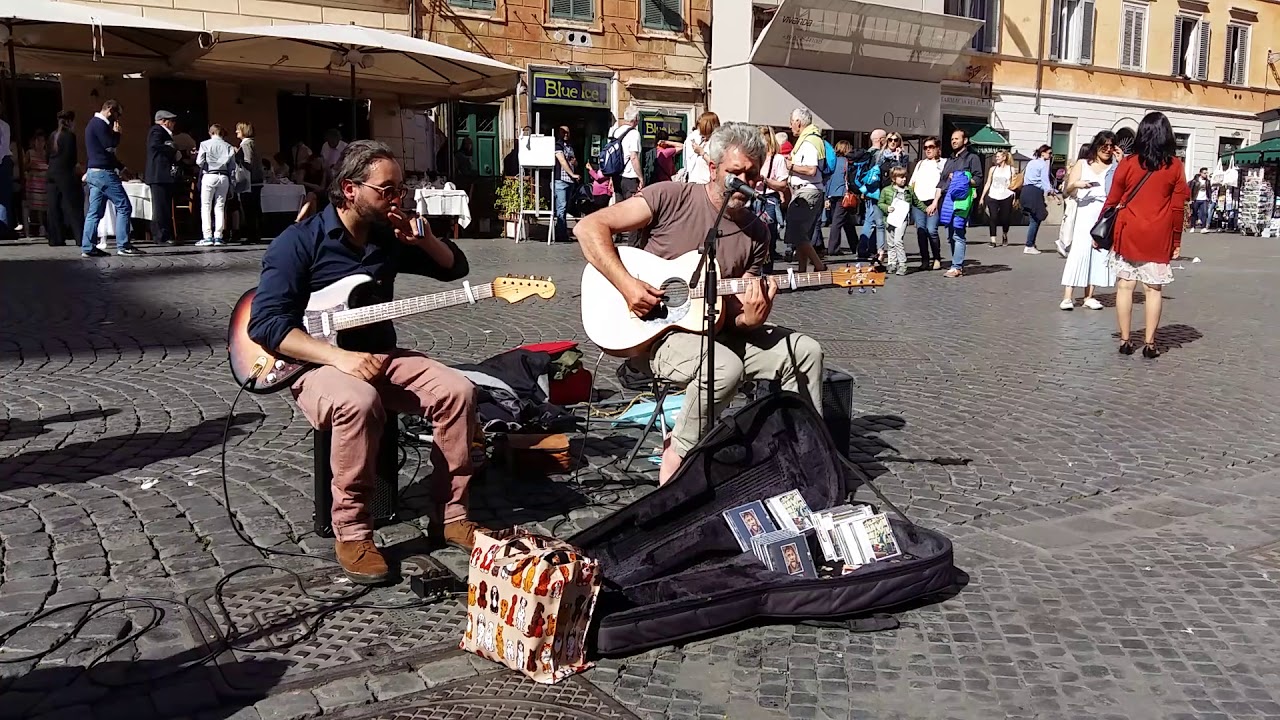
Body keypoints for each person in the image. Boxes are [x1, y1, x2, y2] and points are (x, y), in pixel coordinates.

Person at [247, 140, 490, 582]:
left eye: (402, 189)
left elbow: (454, 270)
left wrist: (427, 239)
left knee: (459, 390)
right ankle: (354, 531)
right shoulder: (298, 243)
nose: (399, 198)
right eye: (388, 189)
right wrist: (338, 358)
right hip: (315, 364)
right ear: (350, 188)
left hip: (383, 356)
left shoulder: (387, 238)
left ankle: (452, 516)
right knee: (358, 401)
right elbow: (265, 326)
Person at [573, 121, 824, 486]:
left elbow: (735, 314)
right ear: (712, 168)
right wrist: (628, 286)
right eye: (734, 173)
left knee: (805, 350)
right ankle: (680, 452)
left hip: (715, 332)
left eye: (752, 175)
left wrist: (751, 319)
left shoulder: (758, 232)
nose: (744, 183)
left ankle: (803, 458)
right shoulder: (669, 197)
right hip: (655, 335)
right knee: (723, 367)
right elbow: (588, 228)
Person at [1105, 112, 1189, 359]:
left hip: (1128, 230)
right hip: (1159, 233)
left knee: (1125, 286)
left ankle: (1125, 339)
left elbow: (1113, 199)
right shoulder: (1175, 166)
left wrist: (1100, 230)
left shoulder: (1129, 163)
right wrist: (1176, 240)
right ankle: (1150, 343)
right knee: (1153, 290)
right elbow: (1177, 208)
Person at [1059, 132, 1118, 310]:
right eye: (1104, 146)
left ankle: (1089, 296)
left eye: (1111, 146)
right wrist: (1077, 184)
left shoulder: (1114, 168)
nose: (1108, 150)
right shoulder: (1083, 164)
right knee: (1079, 251)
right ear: (1097, 145)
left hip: (1104, 214)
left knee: (1098, 253)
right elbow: (1067, 191)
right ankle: (1068, 296)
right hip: (1084, 211)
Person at [82, 100, 142, 257]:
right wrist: (117, 134)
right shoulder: (100, 124)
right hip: (104, 173)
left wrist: (122, 168)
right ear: (109, 110)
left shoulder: (92, 124)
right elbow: (110, 145)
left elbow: (106, 153)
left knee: (94, 212)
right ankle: (123, 245)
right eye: (117, 115)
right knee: (124, 206)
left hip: (93, 172)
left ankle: (88, 247)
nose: (117, 119)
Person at [931, 129, 983, 278]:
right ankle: (956, 264)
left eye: (957, 139)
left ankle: (956, 266)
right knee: (950, 234)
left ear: (965, 141)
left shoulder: (972, 158)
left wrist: (963, 180)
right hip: (947, 200)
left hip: (961, 201)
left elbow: (978, 179)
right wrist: (935, 201)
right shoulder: (950, 160)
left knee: (958, 233)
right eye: (952, 139)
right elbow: (941, 182)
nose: (953, 141)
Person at [786, 108, 827, 273]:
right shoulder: (809, 139)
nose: (790, 127)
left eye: (791, 122)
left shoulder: (810, 142)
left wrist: (791, 166)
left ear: (798, 122)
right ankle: (802, 269)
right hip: (806, 190)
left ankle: (819, 265)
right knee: (802, 234)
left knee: (797, 232)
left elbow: (811, 170)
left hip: (807, 191)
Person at [195, 124, 239, 247]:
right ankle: (218, 236)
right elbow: (232, 167)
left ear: (211, 132)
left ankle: (207, 236)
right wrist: (232, 183)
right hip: (224, 176)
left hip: (209, 175)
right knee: (220, 206)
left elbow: (199, 162)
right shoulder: (228, 146)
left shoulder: (204, 144)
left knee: (206, 206)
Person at [46, 110, 83, 248]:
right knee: (73, 206)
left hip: (51, 174)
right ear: (70, 121)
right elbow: (72, 158)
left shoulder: (52, 136)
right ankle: (80, 238)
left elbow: (47, 156)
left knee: (53, 207)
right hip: (65, 174)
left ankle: (55, 238)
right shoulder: (70, 136)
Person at [608, 106, 644, 245]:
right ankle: (633, 243)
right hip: (629, 177)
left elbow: (613, 157)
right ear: (635, 120)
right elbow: (634, 157)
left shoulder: (615, 131)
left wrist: (611, 178)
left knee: (619, 209)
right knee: (634, 211)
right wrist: (640, 177)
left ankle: (614, 237)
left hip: (617, 176)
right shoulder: (634, 134)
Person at [146, 110, 183, 246]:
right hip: (158, 175)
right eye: (171, 121)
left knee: (165, 206)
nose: (173, 124)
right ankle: (161, 236)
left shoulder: (164, 133)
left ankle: (165, 234)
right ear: (164, 121)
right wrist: (173, 149)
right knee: (161, 207)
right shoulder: (157, 130)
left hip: (163, 176)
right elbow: (155, 145)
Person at [909, 136, 944, 270]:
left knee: (932, 230)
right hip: (918, 201)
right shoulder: (920, 164)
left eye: (931, 147)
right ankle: (925, 260)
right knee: (921, 231)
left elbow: (943, 185)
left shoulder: (943, 163)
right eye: (926, 147)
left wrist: (935, 202)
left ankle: (936, 257)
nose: (928, 150)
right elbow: (912, 182)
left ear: (937, 149)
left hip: (933, 200)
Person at [818, 140, 856, 257]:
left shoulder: (832, 162)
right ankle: (833, 248)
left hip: (832, 194)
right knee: (838, 222)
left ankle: (856, 245)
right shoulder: (848, 162)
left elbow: (827, 179)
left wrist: (827, 197)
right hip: (843, 194)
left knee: (847, 221)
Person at [758, 126, 789, 265]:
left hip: (769, 199)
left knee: (768, 235)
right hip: (752, 198)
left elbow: (782, 185)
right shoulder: (755, 158)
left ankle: (767, 269)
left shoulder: (778, 159)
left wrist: (766, 181)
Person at [878, 166, 916, 276]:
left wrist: (926, 209)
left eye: (905, 177)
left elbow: (916, 202)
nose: (904, 179)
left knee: (898, 241)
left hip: (902, 219)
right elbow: (881, 203)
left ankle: (902, 264)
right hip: (890, 219)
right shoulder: (886, 190)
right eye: (901, 177)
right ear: (894, 179)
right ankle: (892, 263)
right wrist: (887, 208)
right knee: (890, 243)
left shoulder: (908, 190)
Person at [1020, 144, 1058, 254]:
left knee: (1034, 217)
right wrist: (1054, 193)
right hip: (1035, 192)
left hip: (1026, 190)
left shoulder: (1031, 162)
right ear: (1043, 153)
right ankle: (1029, 245)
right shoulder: (1043, 164)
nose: (1051, 156)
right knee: (1036, 219)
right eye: (1049, 153)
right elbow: (1045, 182)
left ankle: (1031, 243)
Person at [857, 128, 887, 262]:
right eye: (886, 138)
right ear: (881, 140)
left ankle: (870, 248)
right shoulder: (877, 155)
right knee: (871, 220)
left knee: (873, 220)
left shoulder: (867, 153)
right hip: (875, 191)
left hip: (867, 190)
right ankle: (863, 249)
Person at [980, 149, 1016, 247]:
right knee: (993, 217)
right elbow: (988, 183)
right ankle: (993, 240)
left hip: (1006, 195)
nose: (996, 158)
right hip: (993, 195)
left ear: (1004, 157)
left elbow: (1014, 184)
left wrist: (1014, 197)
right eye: (996, 157)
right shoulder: (993, 169)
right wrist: (982, 197)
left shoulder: (1011, 169)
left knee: (1005, 218)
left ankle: (1005, 234)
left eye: (998, 157)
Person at [236, 122, 264, 243]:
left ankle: (252, 234)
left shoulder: (246, 144)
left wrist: (236, 157)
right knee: (255, 208)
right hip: (256, 180)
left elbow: (248, 162)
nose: (236, 132)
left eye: (238, 129)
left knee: (249, 208)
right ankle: (256, 233)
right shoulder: (252, 143)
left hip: (251, 181)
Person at [552, 125, 579, 243]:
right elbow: (562, 161)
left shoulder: (570, 147)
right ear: (559, 133)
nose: (566, 134)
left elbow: (574, 162)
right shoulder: (557, 146)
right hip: (560, 180)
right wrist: (573, 175)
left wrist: (575, 163)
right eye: (564, 132)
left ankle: (562, 233)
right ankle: (560, 235)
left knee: (565, 207)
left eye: (568, 132)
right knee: (561, 208)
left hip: (569, 182)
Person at [23, 132, 49, 238]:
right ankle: (27, 231)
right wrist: (31, 165)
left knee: (44, 208)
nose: (40, 143)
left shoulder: (46, 153)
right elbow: (24, 167)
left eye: (42, 141)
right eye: (38, 140)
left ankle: (43, 228)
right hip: (33, 184)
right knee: (32, 207)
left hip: (44, 184)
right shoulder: (30, 153)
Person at [683, 112, 720, 185]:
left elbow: (717, 165)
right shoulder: (702, 141)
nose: (698, 131)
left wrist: (702, 153)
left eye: (701, 127)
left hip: (706, 184)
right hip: (694, 184)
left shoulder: (717, 143)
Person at [1189, 167, 1212, 233]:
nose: (1206, 174)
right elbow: (1191, 190)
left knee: (1204, 213)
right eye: (1204, 173)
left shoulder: (1207, 181)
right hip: (1196, 199)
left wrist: (1209, 198)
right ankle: (1193, 226)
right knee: (1194, 213)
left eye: (1206, 173)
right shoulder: (1195, 181)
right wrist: (1191, 199)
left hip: (1204, 199)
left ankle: (1203, 228)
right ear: (1200, 173)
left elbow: (1209, 190)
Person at [0, 102, 12, 231]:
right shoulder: (4, 125)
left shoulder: (3, 126)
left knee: (3, 196)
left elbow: (3, 147)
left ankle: (3, 228)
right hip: (3, 161)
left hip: (3, 161)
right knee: (3, 197)